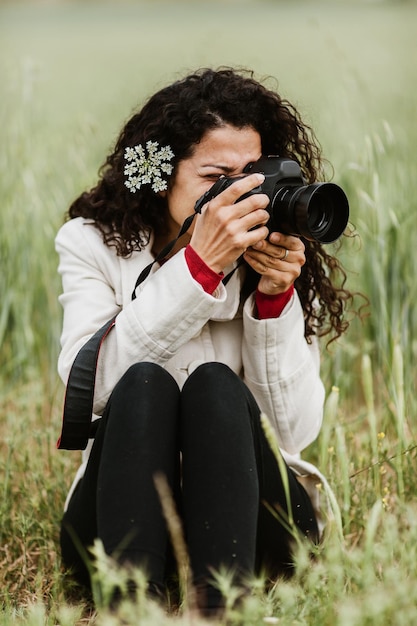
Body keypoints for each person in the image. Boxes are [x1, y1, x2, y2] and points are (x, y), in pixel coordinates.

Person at [55, 67, 352, 618]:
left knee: (215, 385)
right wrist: (198, 268)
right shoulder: (91, 245)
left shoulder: (276, 247)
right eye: (218, 176)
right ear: (160, 175)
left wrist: (273, 303)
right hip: (125, 518)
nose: (242, 196)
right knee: (142, 380)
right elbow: (88, 390)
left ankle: (224, 608)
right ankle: (132, 605)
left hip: (255, 525)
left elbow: (293, 433)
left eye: (253, 175)